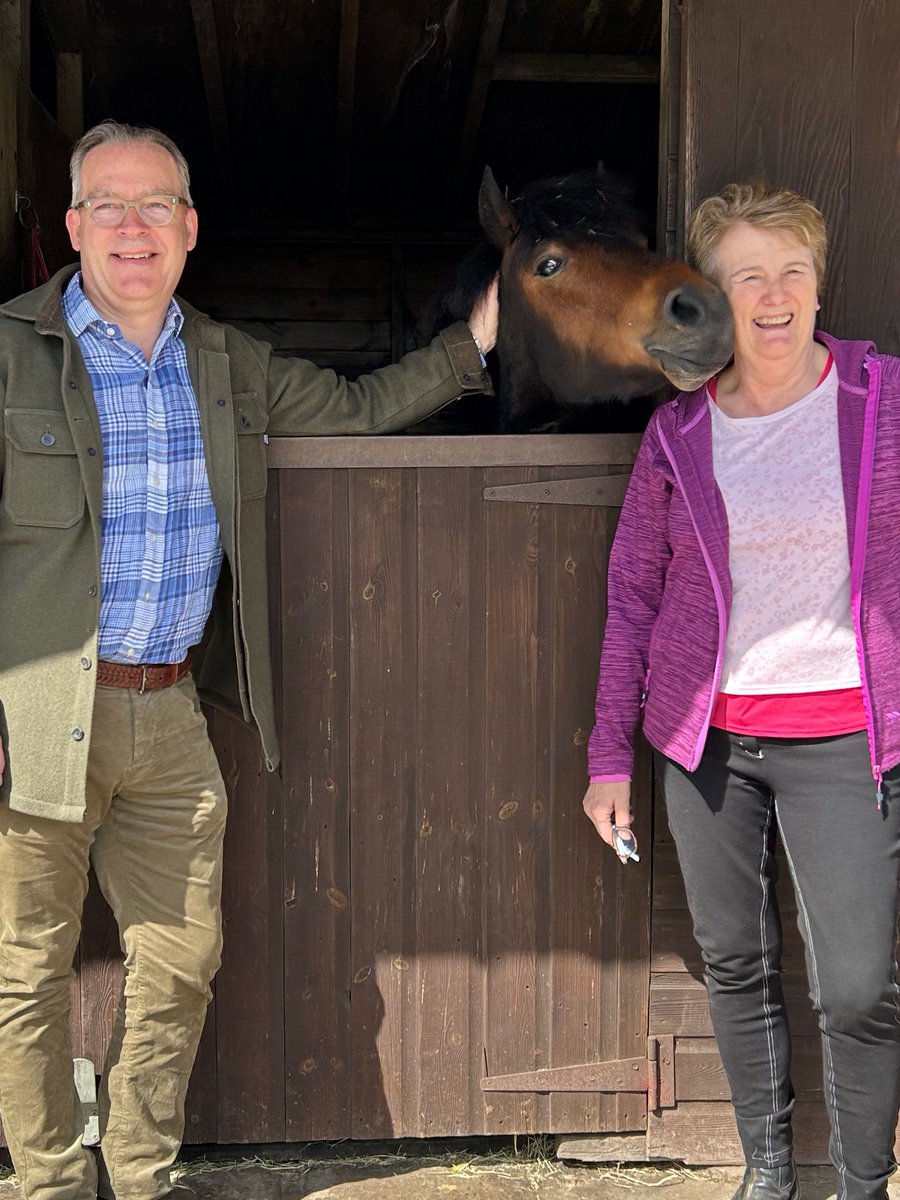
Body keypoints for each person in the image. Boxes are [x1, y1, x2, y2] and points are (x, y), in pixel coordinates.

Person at [0, 120, 498, 1200]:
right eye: (110, 206)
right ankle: (43, 1184)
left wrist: (477, 342)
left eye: (157, 206)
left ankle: (139, 1173)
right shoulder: (6, 355)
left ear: (189, 228)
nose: (134, 228)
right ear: (75, 224)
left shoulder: (227, 363)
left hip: (169, 712)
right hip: (34, 711)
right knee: (25, 974)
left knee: (179, 966)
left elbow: (362, 409)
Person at [583, 181, 900, 1200]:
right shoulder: (680, 435)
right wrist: (606, 757)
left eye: (792, 272)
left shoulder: (881, 402)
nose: (773, 295)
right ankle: (769, 1171)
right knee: (735, 963)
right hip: (708, 740)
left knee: (855, 986)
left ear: (820, 283)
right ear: (717, 294)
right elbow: (633, 592)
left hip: (847, 737)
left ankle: (860, 1184)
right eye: (748, 275)